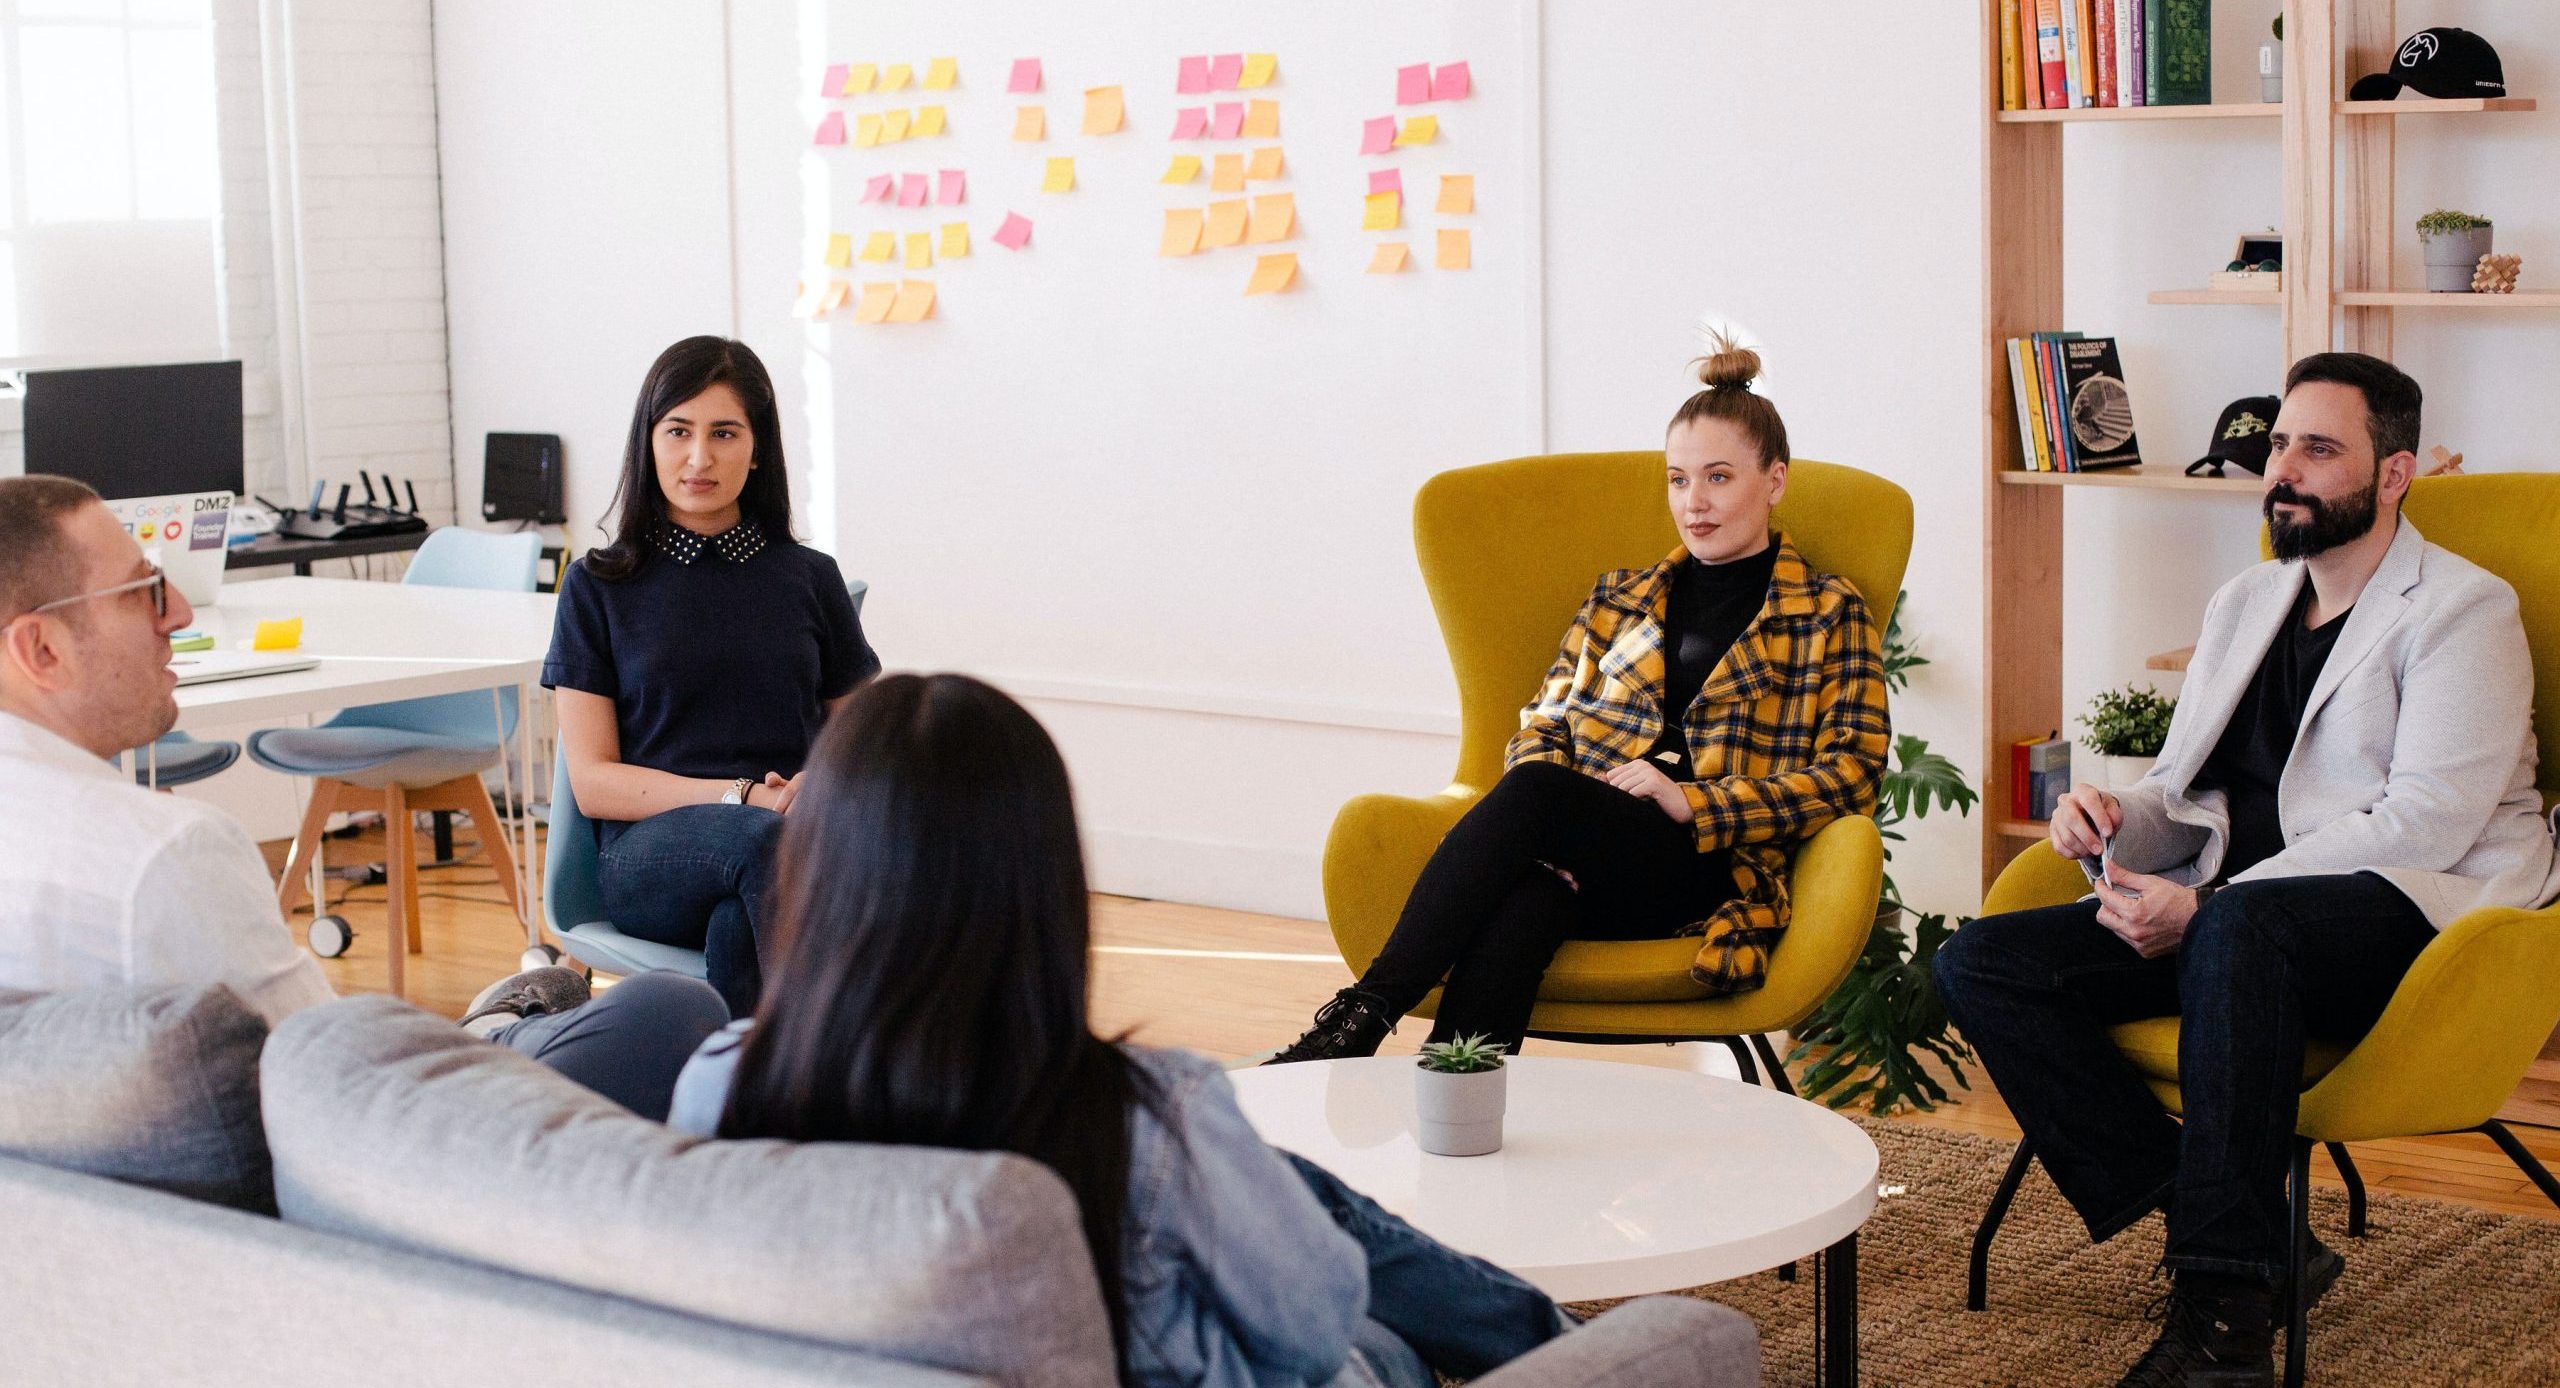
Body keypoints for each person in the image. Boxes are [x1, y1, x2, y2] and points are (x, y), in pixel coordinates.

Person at [1933, 352, 2560, 1388]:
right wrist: (2107, 818)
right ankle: (2249, 1235)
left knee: (2237, 929)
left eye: (2319, 448)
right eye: (2278, 445)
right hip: (2240, 925)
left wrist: (2208, 906)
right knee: (1983, 961)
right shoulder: (2247, 601)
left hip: (2421, 919)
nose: (2285, 470)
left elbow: (2428, 820)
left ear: (2392, 471)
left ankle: (2223, 1328)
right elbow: (2191, 788)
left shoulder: (2461, 610)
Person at [667, 674, 1570, 1388]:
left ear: (819, 873)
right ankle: (1570, 1351)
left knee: (1278, 1188)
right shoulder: (1144, 1114)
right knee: (1367, 1324)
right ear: (1042, 881)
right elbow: (1313, 1327)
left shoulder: (719, 1081)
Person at [0, 475, 728, 1122]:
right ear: (42, 650)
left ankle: (489, 1030)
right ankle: (488, 1036)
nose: (181, 613)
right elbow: (332, 1083)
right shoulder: (163, 859)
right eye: (144, 590)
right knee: (669, 1008)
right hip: (391, 1152)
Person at [1268, 337, 1891, 1063]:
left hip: (1708, 865)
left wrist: (1697, 801)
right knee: (1528, 902)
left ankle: (1360, 1017)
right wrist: (1584, 808)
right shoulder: (1619, 599)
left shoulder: (1827, 610)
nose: (1695, 503)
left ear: (1775, 480)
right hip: (1587, 844)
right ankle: (1453, 1102)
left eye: (1718, 478)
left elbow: (1854, 772)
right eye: (1679, 480)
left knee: (1536, 794)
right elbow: (1544, 723)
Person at [544, 336, 879, 1016]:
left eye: (724, 433)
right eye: (679, 431)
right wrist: (744, 796)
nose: (700, 457)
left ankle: (741, 1106)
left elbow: (871, 741)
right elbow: (595, 782)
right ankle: (863, 1068)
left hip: (780, 849)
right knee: (768, 845)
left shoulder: (810, 579)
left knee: (740, 926)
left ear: (757, 449)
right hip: (648, 859)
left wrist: (825, 781)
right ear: (650, 442)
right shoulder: (597, 586)